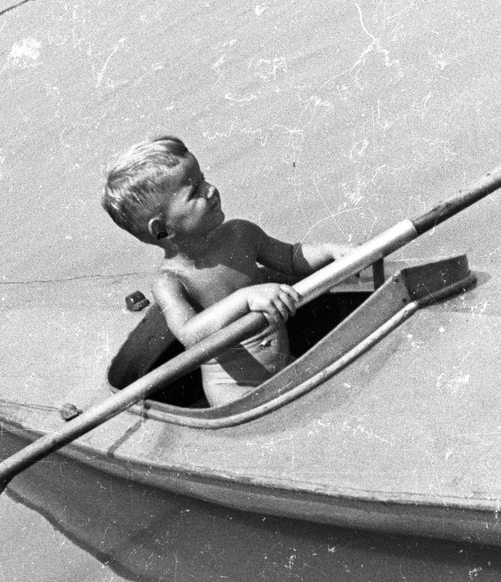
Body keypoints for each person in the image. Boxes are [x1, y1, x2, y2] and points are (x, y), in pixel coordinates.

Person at [102, 135, 353, 406]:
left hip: (284, 366)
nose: (210, 189)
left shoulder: (242, 233)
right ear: (162, 229)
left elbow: (292, 258)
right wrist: (244, 299)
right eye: (194, 191)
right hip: (234, 389)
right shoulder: (171, 281)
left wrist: (329, 251)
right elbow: (189, 334)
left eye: (203, 178)